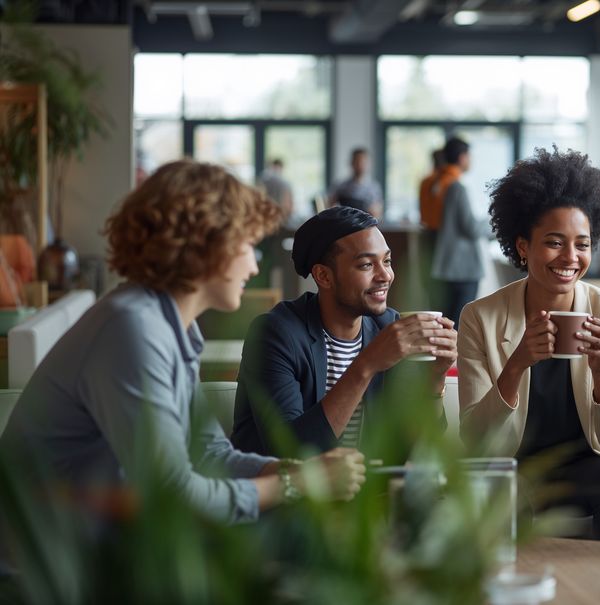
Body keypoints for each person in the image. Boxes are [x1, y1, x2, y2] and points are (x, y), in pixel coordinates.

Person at [0, 160, 365, 525]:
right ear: (206, 244)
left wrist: (297, 471)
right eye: (247, 246)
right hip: (42, 547)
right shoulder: (133, 328)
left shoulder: (173, 327)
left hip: (97, 537)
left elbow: (209, 453)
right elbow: (172, 496)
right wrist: (296, 485)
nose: (253, 267)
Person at [457, 147, 600, 543]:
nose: (570, 257)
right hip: (513, 467)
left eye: (582, 244)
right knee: (495, 490)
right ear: (523, 246)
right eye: (555, 242)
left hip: (590, 465)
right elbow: (475, 440)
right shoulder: (480, 317)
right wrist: (516, 364)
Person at [231, 206, 457, 457]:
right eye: (366, 265)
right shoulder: (275, 333)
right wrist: (367, 364)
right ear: (323, 276)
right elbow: (291, 452)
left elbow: (416, 445)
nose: (385, 275)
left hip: (368, 481)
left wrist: (435, 378)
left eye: (387, 261)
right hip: (283, 482)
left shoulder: (388, 327)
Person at [431, 136, 488, 326]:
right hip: (463, 268)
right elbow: (471, 227)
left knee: (447, 318)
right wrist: (495, 223)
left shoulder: (434, 183)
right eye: (469, 156)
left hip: (444, 264)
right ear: (462, 157)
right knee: (459, 322)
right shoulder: (457, 187)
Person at [329, 147, 384, 219]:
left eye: (363, 162)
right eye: (357, 161)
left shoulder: (374, 188)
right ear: (351, 163)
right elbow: (330, 207)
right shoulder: (340, 186)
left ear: (368, 164)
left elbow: (377, 213)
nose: (360, 165)